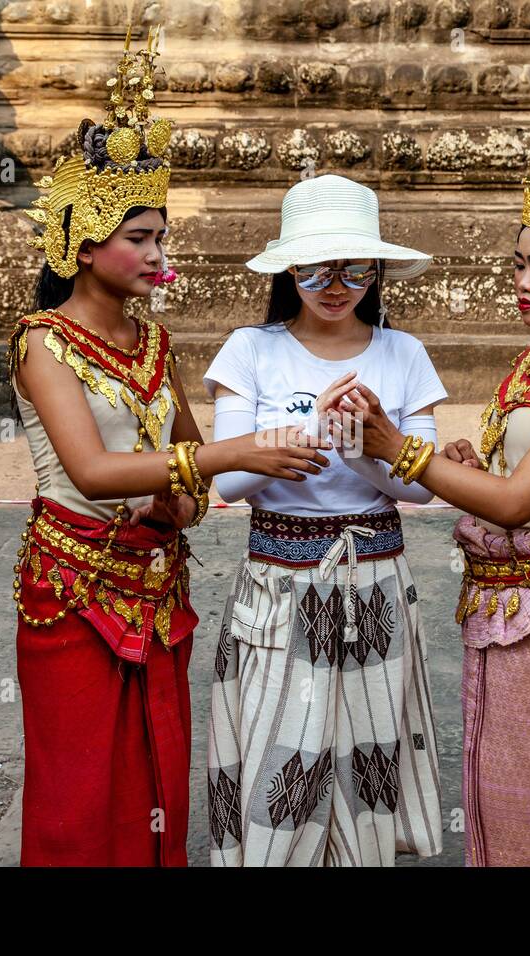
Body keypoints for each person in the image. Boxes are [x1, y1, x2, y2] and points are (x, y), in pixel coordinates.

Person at [320, 24, 530, 866]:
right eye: (516, 265)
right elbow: (505, 481)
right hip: (501, 606)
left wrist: (402, 450)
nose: (522, 283)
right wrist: (467, 462)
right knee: (497, 798)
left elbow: (517, 503)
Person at [11, 27, 330, 866]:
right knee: (79, 794)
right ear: (82, 245)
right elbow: (89, 470)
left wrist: (179, 499)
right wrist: (236, 454)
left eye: (161, 237)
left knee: (156, 778)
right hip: (74, 589)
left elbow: (188, 480)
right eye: (140, 238)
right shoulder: (42, 343)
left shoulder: (155, 346)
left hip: (154, 584)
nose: (159, 256)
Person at [204, 173, 446, 867]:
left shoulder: (404, 354)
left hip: (373, 576)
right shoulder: (250, 350)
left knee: (366, 758)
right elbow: (227, 483)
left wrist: (364, 448)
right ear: (287, 269)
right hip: (279, 582)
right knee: (279, 755)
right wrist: (304, 439)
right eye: (313, 268)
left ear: (377, 270)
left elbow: (419, 491)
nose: (335, 283)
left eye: (354, 268)